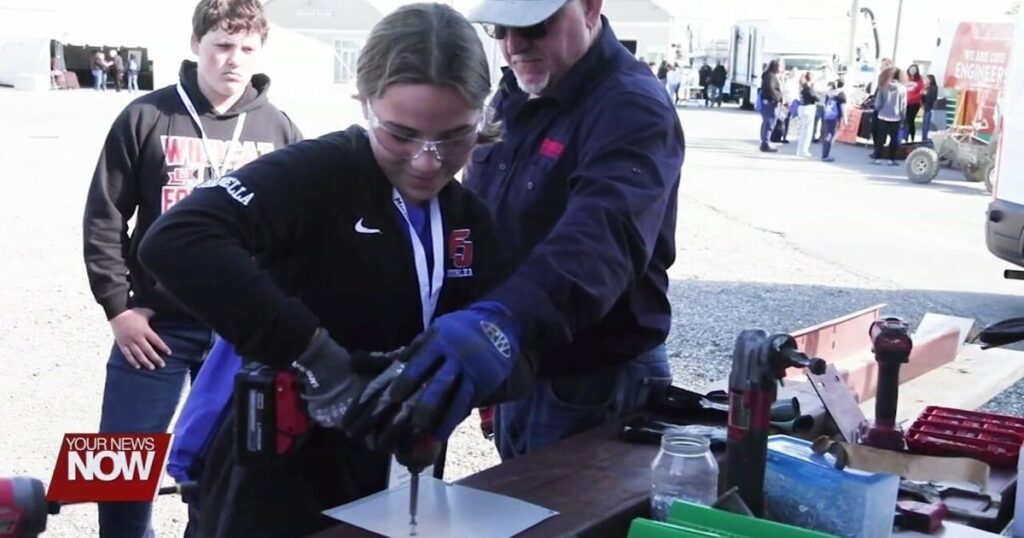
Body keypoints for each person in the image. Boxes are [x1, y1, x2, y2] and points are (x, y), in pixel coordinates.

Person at [138, 4, 511, 536]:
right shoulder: (321, 173)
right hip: (275, 482)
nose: (427, 160)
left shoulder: (467, 217)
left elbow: (521, 344)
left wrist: (481, 365)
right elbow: (178, 239)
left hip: (399, 480)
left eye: (454, 137)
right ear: (365, 103)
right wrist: (315, 356)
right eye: (401, 135)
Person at [354, 0, 684, 461]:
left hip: (594, 380)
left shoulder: (629, 107)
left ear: (590, 7)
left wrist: (502, 321)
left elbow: (601, 239)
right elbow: (478, 218)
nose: (514, 45)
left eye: (534, 25)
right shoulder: (513, 94)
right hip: (519, 359)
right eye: (501, 29)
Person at [82, 1, 302, 536]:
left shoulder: (280, 129)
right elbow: (104, 218)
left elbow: (299, 237)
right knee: (116, 468)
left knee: (223, 472)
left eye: (246, 49)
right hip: (154, 326)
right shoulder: (146, 116)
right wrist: (118, 310)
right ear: (196, 45)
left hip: (239, 334)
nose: (233, 61)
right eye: (222, 46)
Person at [872, 66, 907, 165]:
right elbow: (903, 105)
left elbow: (878, 103)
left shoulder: (883, 86)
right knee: (894, 139)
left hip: (882, 115)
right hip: (895, 117)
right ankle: (891, 159)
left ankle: (877, 158)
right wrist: (903, 117)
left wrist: (877, 109)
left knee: (880, 138)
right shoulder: (902, 89)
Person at [760, 59, 784, 152]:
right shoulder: (771, 76)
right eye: (780, 66)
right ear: (775, 66)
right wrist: (777, 98)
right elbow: (770, 88)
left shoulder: (769, 75)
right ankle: (765, 144)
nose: (781, 69)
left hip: (768, 102)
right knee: (769, 123)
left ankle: (764, 142)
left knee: (767, 123)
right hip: (770, 103)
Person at [820, 80, 846, 162]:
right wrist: (845, 119)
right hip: (835, 117)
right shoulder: (841, 94)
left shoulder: (829, 93)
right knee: (831, 135)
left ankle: (825, 152)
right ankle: (826, 154)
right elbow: (843, 107)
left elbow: (825, 105)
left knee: (828, 134)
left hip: (828, 116)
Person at [795, 71, 819, 158]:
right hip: (808, 108)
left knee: (803, 131)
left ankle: (800, 150)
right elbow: (816, 98)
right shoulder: (808, 88)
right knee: (807, 132)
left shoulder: (802, 87)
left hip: (802, 108)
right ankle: (804, 150)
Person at [905, 63, 925, 142]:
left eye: (914, 69)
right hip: (905, 103)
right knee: (905, 120)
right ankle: (905, 137)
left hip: (914, 103)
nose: (912, 71)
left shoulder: (920, 80)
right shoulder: (906, 78)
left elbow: (921, 92)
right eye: (911, 69)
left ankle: (912, 137)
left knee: (910, 120)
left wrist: (911, 98)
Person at [922, 74, 938, 142]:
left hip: (930, 108)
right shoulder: (926, 87)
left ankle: (925, 137)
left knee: (927, 123)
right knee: (925, 123)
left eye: (927, 79)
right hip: (926, 107)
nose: (925, 81)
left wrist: (925, 93)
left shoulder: (934, 88)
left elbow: (931, 99)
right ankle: (924, 137)